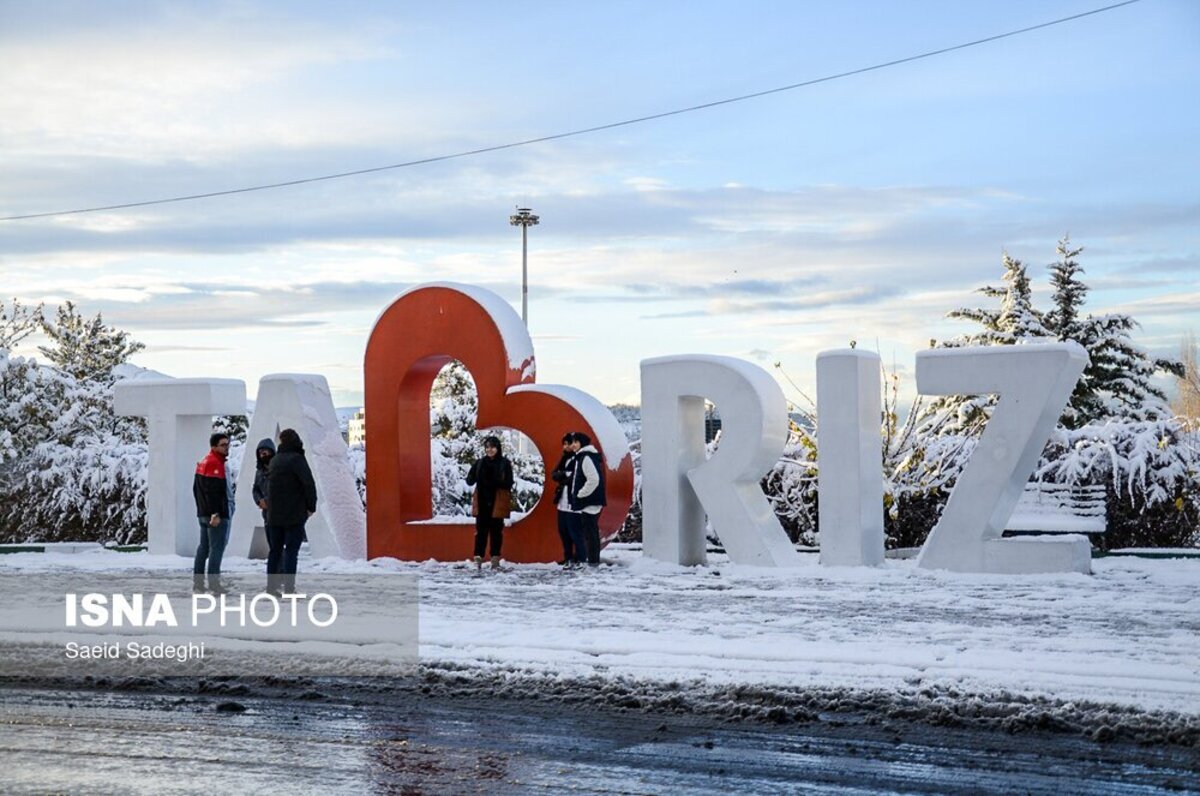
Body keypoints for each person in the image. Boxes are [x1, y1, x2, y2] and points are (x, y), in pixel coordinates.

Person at [266, 428, 317, 594]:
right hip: (294, 514)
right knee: (291, 551)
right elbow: (308, 484)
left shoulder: (275, 460)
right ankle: (289, 588)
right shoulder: (297, 459)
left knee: (275, 551)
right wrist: (311, 507)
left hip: (274, 515)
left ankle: (271, 587)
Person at [192, 432, 232, 594]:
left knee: (204, 548)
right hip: (214, 515)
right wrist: (215, 513)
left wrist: (202, 510)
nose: (226, 447)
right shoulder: (215, 464)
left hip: (203, 513)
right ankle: (214, 584)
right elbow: (213, 492)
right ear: (214, 447)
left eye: (228, 444)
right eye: (223, 445)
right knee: (216, 548)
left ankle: (198, 583)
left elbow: (196, 490)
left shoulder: (203, 462)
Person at [466, 435, 513, 570]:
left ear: (498, 448)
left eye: (492, 447)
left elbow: (509, 483)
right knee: (480, 532)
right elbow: (470, 480)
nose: (489, 450)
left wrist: (495, 482)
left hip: (497, 502)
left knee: (496, 532)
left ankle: (495, 559)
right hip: (482, 501)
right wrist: (471, 475)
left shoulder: (504, 463)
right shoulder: (480, 462)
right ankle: (478, 558)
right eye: (487, 447)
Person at [568, 431, 607, 566]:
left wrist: (580, 494)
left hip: (590, 501)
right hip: (591, 500)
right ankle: (593, 560)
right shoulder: (585, 456)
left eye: (576, 442)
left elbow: (594, 479)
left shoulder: (586, 457)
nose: (573, 445)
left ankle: (593, 561)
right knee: (590, 532)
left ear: (582, 443)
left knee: (590, 532)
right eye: (572, 442)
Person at [551, 433, 585, 567]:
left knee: (575, 532)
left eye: (569, 444)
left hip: (573, 502)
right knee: (563, 530)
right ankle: (568, 557)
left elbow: (576, 478)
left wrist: (563, 476)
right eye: (564, 444)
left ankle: (580, 558)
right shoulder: (564, 458)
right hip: (562, 501)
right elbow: (555, 474)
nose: (566, 447)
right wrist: (564, 475)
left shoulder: (579, 459)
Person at [251, 435, 275, 545]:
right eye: (260, 453)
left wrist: (268, 501)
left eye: (265, 453)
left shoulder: (279, 468)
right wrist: (259, 500)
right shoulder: (259, 471)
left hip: (279, 513)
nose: (262, 456)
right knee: (272, 544)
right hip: (266, 514)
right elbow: (255, 488)